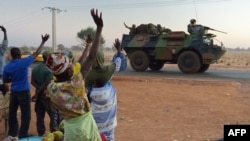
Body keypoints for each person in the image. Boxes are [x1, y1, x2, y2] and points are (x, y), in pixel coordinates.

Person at [45, 8, 103, 141]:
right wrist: (99, 28)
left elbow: (84, 61)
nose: (72, 64)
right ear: (67, 69)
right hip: (86, 126)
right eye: (70, 64)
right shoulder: (77, 82)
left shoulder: (51, 88)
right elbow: (91, 57)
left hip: (71, 129)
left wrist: (87, 45)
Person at [2, 34, 50, 140]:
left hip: (14, 92)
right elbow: (37, 53)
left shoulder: (7, 67)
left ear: (12, 55)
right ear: (19, 55)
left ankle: (12, 133)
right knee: (26, 114)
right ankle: (23, 134)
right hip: (24, 92)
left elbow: (5, 80)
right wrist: (43, 42)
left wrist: (13, 79)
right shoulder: (24, 62)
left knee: (12, 113)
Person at [85, 39, 127, 141]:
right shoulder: (108, 71)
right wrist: (118, 50)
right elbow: (117, 63)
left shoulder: (87, 75)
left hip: (94, 124)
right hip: (109, 124)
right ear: (102, 58)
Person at [31, 50, 61, 136]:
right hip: (47, 96)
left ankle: (40, 133)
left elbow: (32, 82)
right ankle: (54, 132)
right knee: (53, 115)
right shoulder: (50, 69)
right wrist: (40, 91)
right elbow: (46, 84)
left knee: (40, 115)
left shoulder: (35, 68)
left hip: (39, 96)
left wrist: (37, 92)